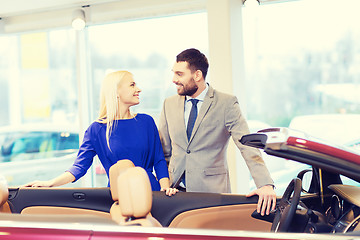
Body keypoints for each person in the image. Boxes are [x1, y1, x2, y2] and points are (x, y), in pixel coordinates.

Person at [159, 48, 276, 214]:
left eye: (179, 74)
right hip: (175, 195)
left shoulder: (226, 103)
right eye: (174, 73)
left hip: (212, 195)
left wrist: (265, 184)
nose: (174, 79)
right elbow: (164, 152)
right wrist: (164, 185)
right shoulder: (168, 104)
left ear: (197, 75)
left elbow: (247, 145)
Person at [25, 71, 178, 196]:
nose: (138, 89)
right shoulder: (96, 130)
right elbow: (79, 167)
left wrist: (164, 191)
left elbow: (159, 161)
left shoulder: (146, 122)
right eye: (132, 85)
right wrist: (50, 183)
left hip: (152, 193)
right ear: (116, 92)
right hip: (119, 196)